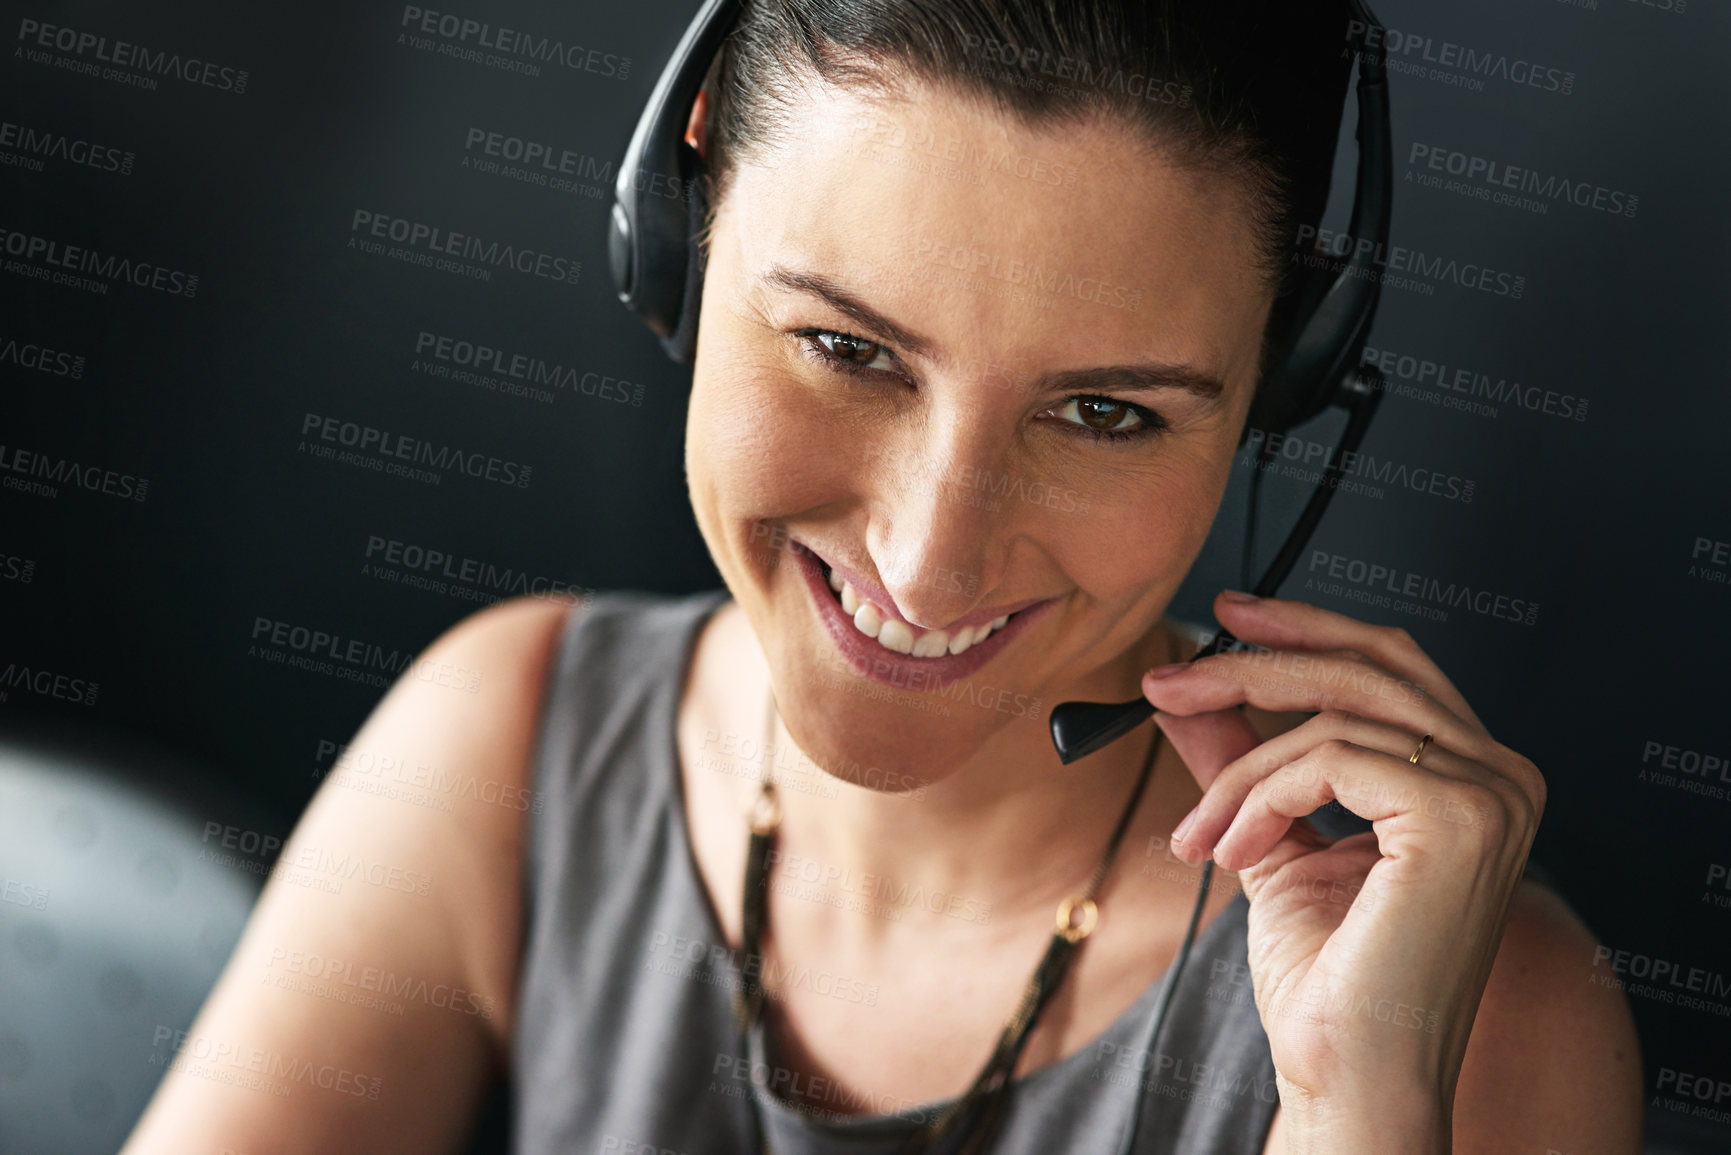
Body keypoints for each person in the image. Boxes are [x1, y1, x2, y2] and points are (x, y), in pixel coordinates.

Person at [121, 1, 1643, 1152]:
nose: (931, 558)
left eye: (1105, 414)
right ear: (682, 214)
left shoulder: (1476, 1012)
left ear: (1284, 385)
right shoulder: (510, 741)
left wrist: (1360, 1105)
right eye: (847, 350)